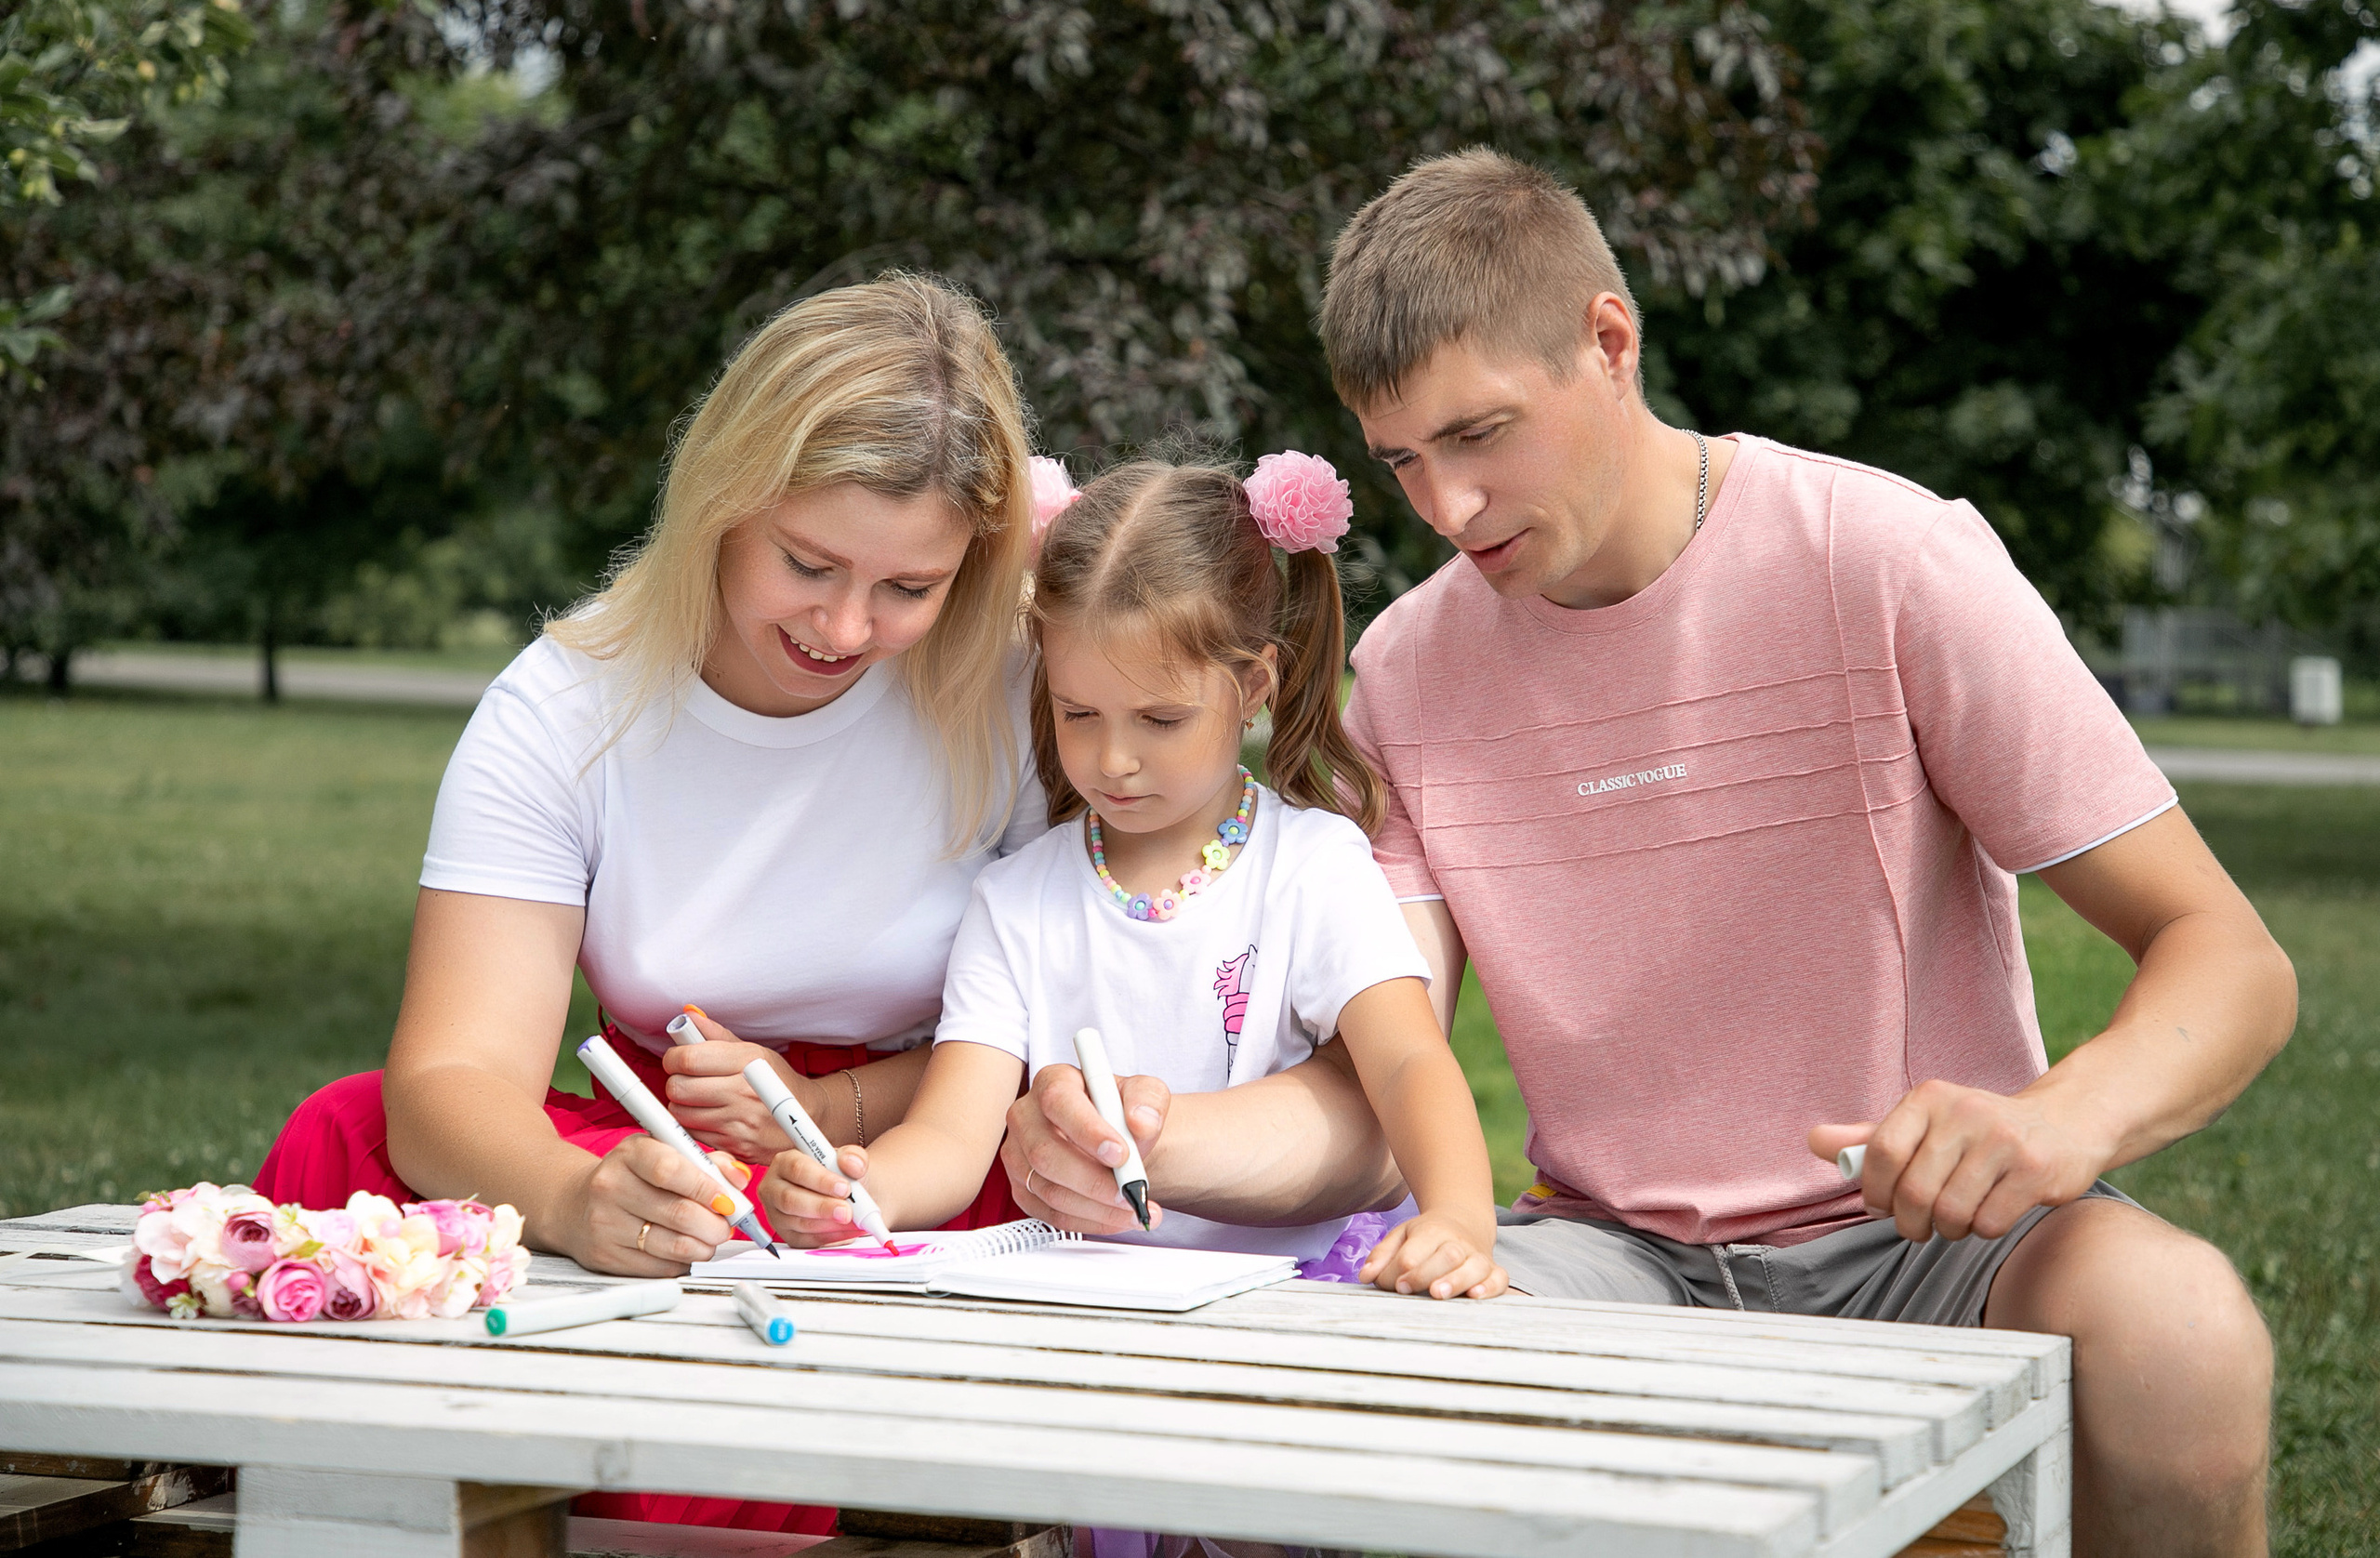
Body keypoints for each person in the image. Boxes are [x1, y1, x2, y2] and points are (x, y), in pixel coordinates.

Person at [1315, 151, 2285, 1558]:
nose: (1444, 511)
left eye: (1479, 435)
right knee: (1368, 1387)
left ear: (1609, 340)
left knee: (2182, 1330)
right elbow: (1374, 1062)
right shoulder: (1403, 671)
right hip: (1612, 1253)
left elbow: (2232, 961)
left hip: (1942, 1246)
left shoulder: (1887, 559)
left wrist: (2059, 1121)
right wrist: (1158, 1139)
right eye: (1402, 460)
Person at [249, 272, 1047, 1536]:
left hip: (921, 1151)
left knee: (794, 1283)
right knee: (343, 1136)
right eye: (808, 562)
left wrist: (829, 1109)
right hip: (653, 1140)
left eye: (912, 586)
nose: (847, 625)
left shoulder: (1012, 694)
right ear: (727, 502)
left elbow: (1061, 1025)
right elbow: (452, 1073)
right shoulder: (570, 704)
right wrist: (574, 1200)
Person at [760, 452, 1507, 1317]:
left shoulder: (1313, 867)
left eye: (1159, 720)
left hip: (1306, 1299)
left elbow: (1410, 1059)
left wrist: (1458, 1215)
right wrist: (863, 1189)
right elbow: (951, 1134)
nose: (1112, 761)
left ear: (1252, 687)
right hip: (1099, 1309)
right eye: (1079, 713)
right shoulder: (1016, 903)